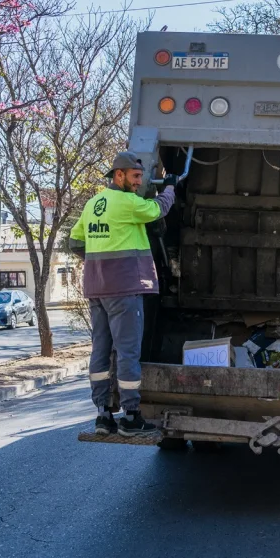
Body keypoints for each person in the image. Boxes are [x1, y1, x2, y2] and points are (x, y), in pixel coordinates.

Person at [69, 151, 175, 437]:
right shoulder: (128, 202)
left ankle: (103, 414)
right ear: (119, 175)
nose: (140, 182)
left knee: (100, 351)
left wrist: (98, 261)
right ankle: (130, 416)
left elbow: (74, 240)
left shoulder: (93, 204)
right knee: (129, 352)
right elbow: (157, 210)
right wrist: (170, 189)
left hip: (96, 288)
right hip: (125, 288)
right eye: (136, 176)